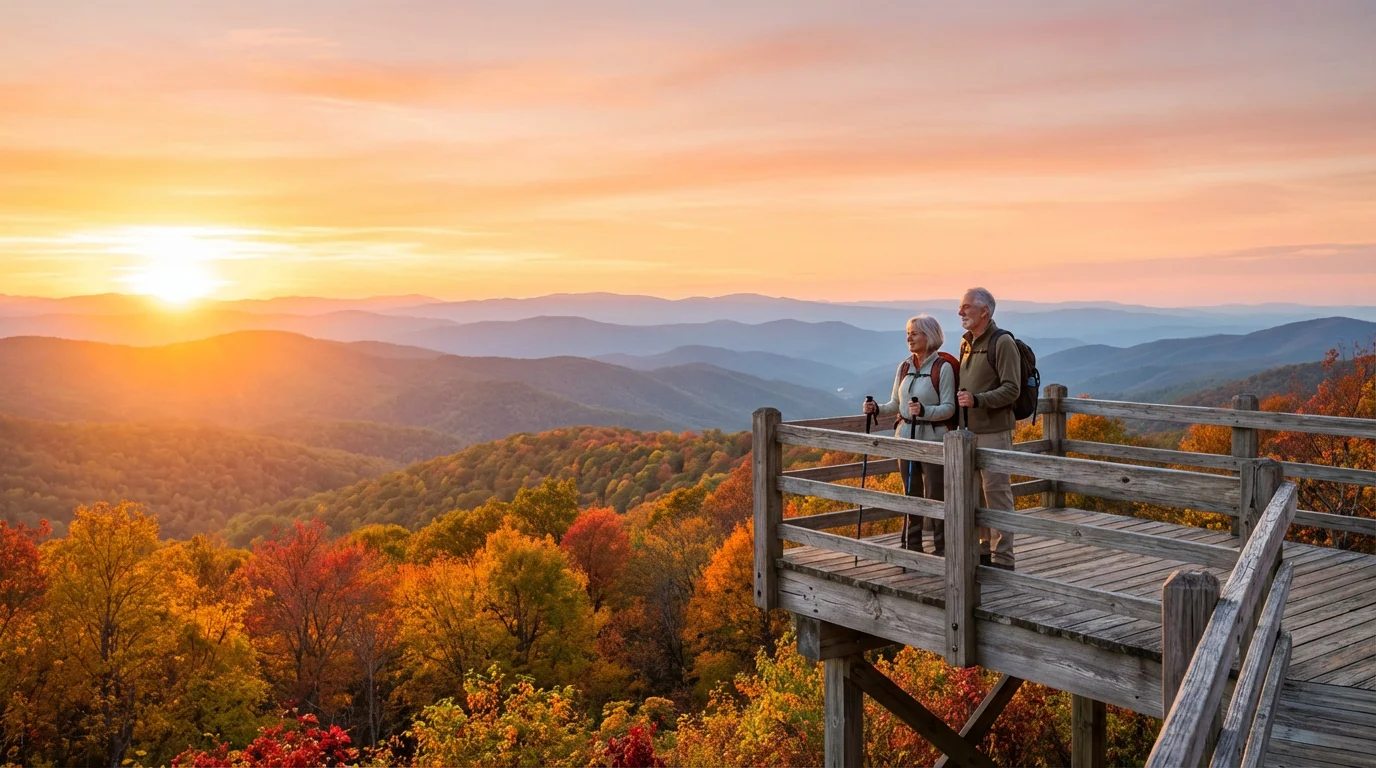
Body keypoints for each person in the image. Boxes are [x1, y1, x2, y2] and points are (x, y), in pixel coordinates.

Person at [863, 314, 955, 554]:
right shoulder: (904, 367)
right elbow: (896, 403)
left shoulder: (942, 368)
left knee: (936, 497)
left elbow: (949, 407)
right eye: (908, 333)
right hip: (905, 439)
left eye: (914, 333)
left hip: (933, 442)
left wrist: (924, 411)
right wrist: (877, 409)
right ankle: (912, 547)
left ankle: (942, 549)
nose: (909, 338)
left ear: (929, 336)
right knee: (910, 494)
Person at [956, 287, 1020, 570]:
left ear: (985, 311)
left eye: (966, 307)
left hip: (994, 431)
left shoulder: (1002, 342)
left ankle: (1004, 557)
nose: (961, 312)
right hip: (967, 433)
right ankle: (983, 551)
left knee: (997, 493)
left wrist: (978, 400)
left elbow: (1012, 389)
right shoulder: (966, 343)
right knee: (975, 494)